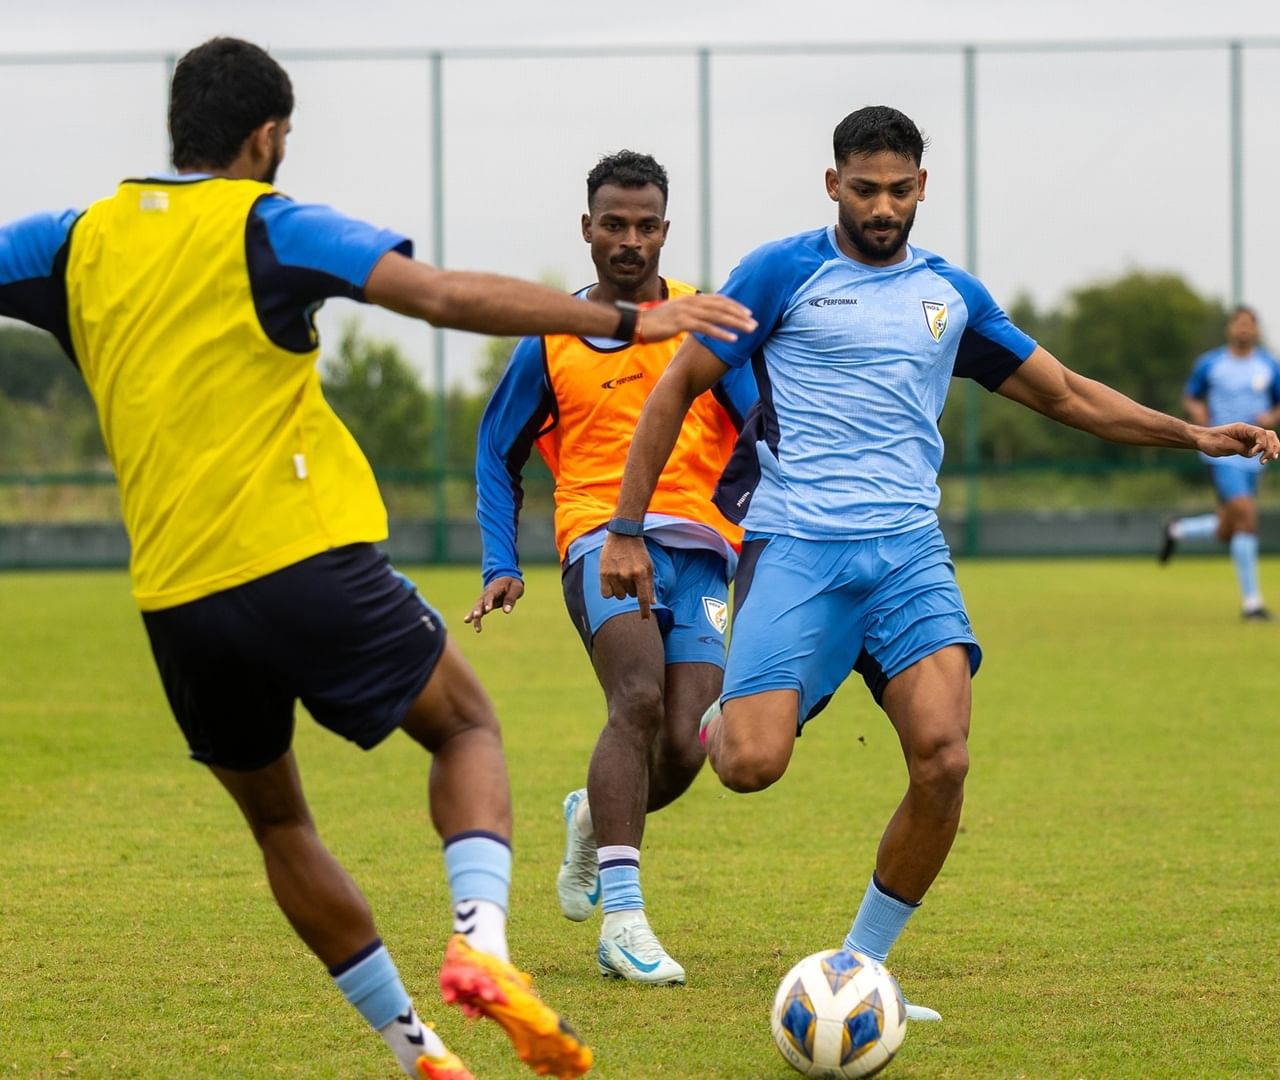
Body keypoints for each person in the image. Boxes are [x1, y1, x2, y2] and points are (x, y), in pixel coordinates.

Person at [0, 38, 753, 1080]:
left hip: (174, 596)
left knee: (281, 827)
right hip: (307, 559)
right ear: (266, 137)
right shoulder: (270, 223)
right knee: (466, 728)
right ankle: (482, 950)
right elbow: (439, 296)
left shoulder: (69, 240)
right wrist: (628, 318)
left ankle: (413, 1049)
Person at [597, 105, 1279, 1022]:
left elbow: (1066, 391)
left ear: (924, 187)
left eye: (900, 190)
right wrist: (627, 528)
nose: (883, 207)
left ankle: (861, 965)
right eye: (866, 189)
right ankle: (735, 713)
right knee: (749, 765)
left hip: (909, 554)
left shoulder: (951, 296)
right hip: (798, 547)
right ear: (833, 184)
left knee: (945, 760)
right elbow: (676, 388)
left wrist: (1191, 433)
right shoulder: (778, 272)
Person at [467, 151, 756, 986]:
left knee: (686, 745)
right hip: (601, 539)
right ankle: (623, 922)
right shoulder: (552, 338)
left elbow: (760, 430)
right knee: (636, 698)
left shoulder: (707, 323)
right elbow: (496, 452)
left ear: (666, 230)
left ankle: (593, 816)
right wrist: (500, 560)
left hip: (701, 551)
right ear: (587, 229)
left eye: (645, 225)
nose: (629, 241)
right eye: (613, 224)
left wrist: (743, 522)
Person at [1158, 305, 1280, 619]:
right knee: (1248, 520)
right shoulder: (1211, 363)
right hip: (1222, 454)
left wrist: (1271, 416)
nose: (1243, 329)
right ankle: (1252, 604)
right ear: (1230, 328)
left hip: (1255, 456)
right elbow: (1190, 395)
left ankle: (1178, 530)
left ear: (1255, 330)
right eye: (1237, 323)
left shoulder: (1268, 365)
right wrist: (1197, 413)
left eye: (1248, 324)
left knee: (1230, 528)